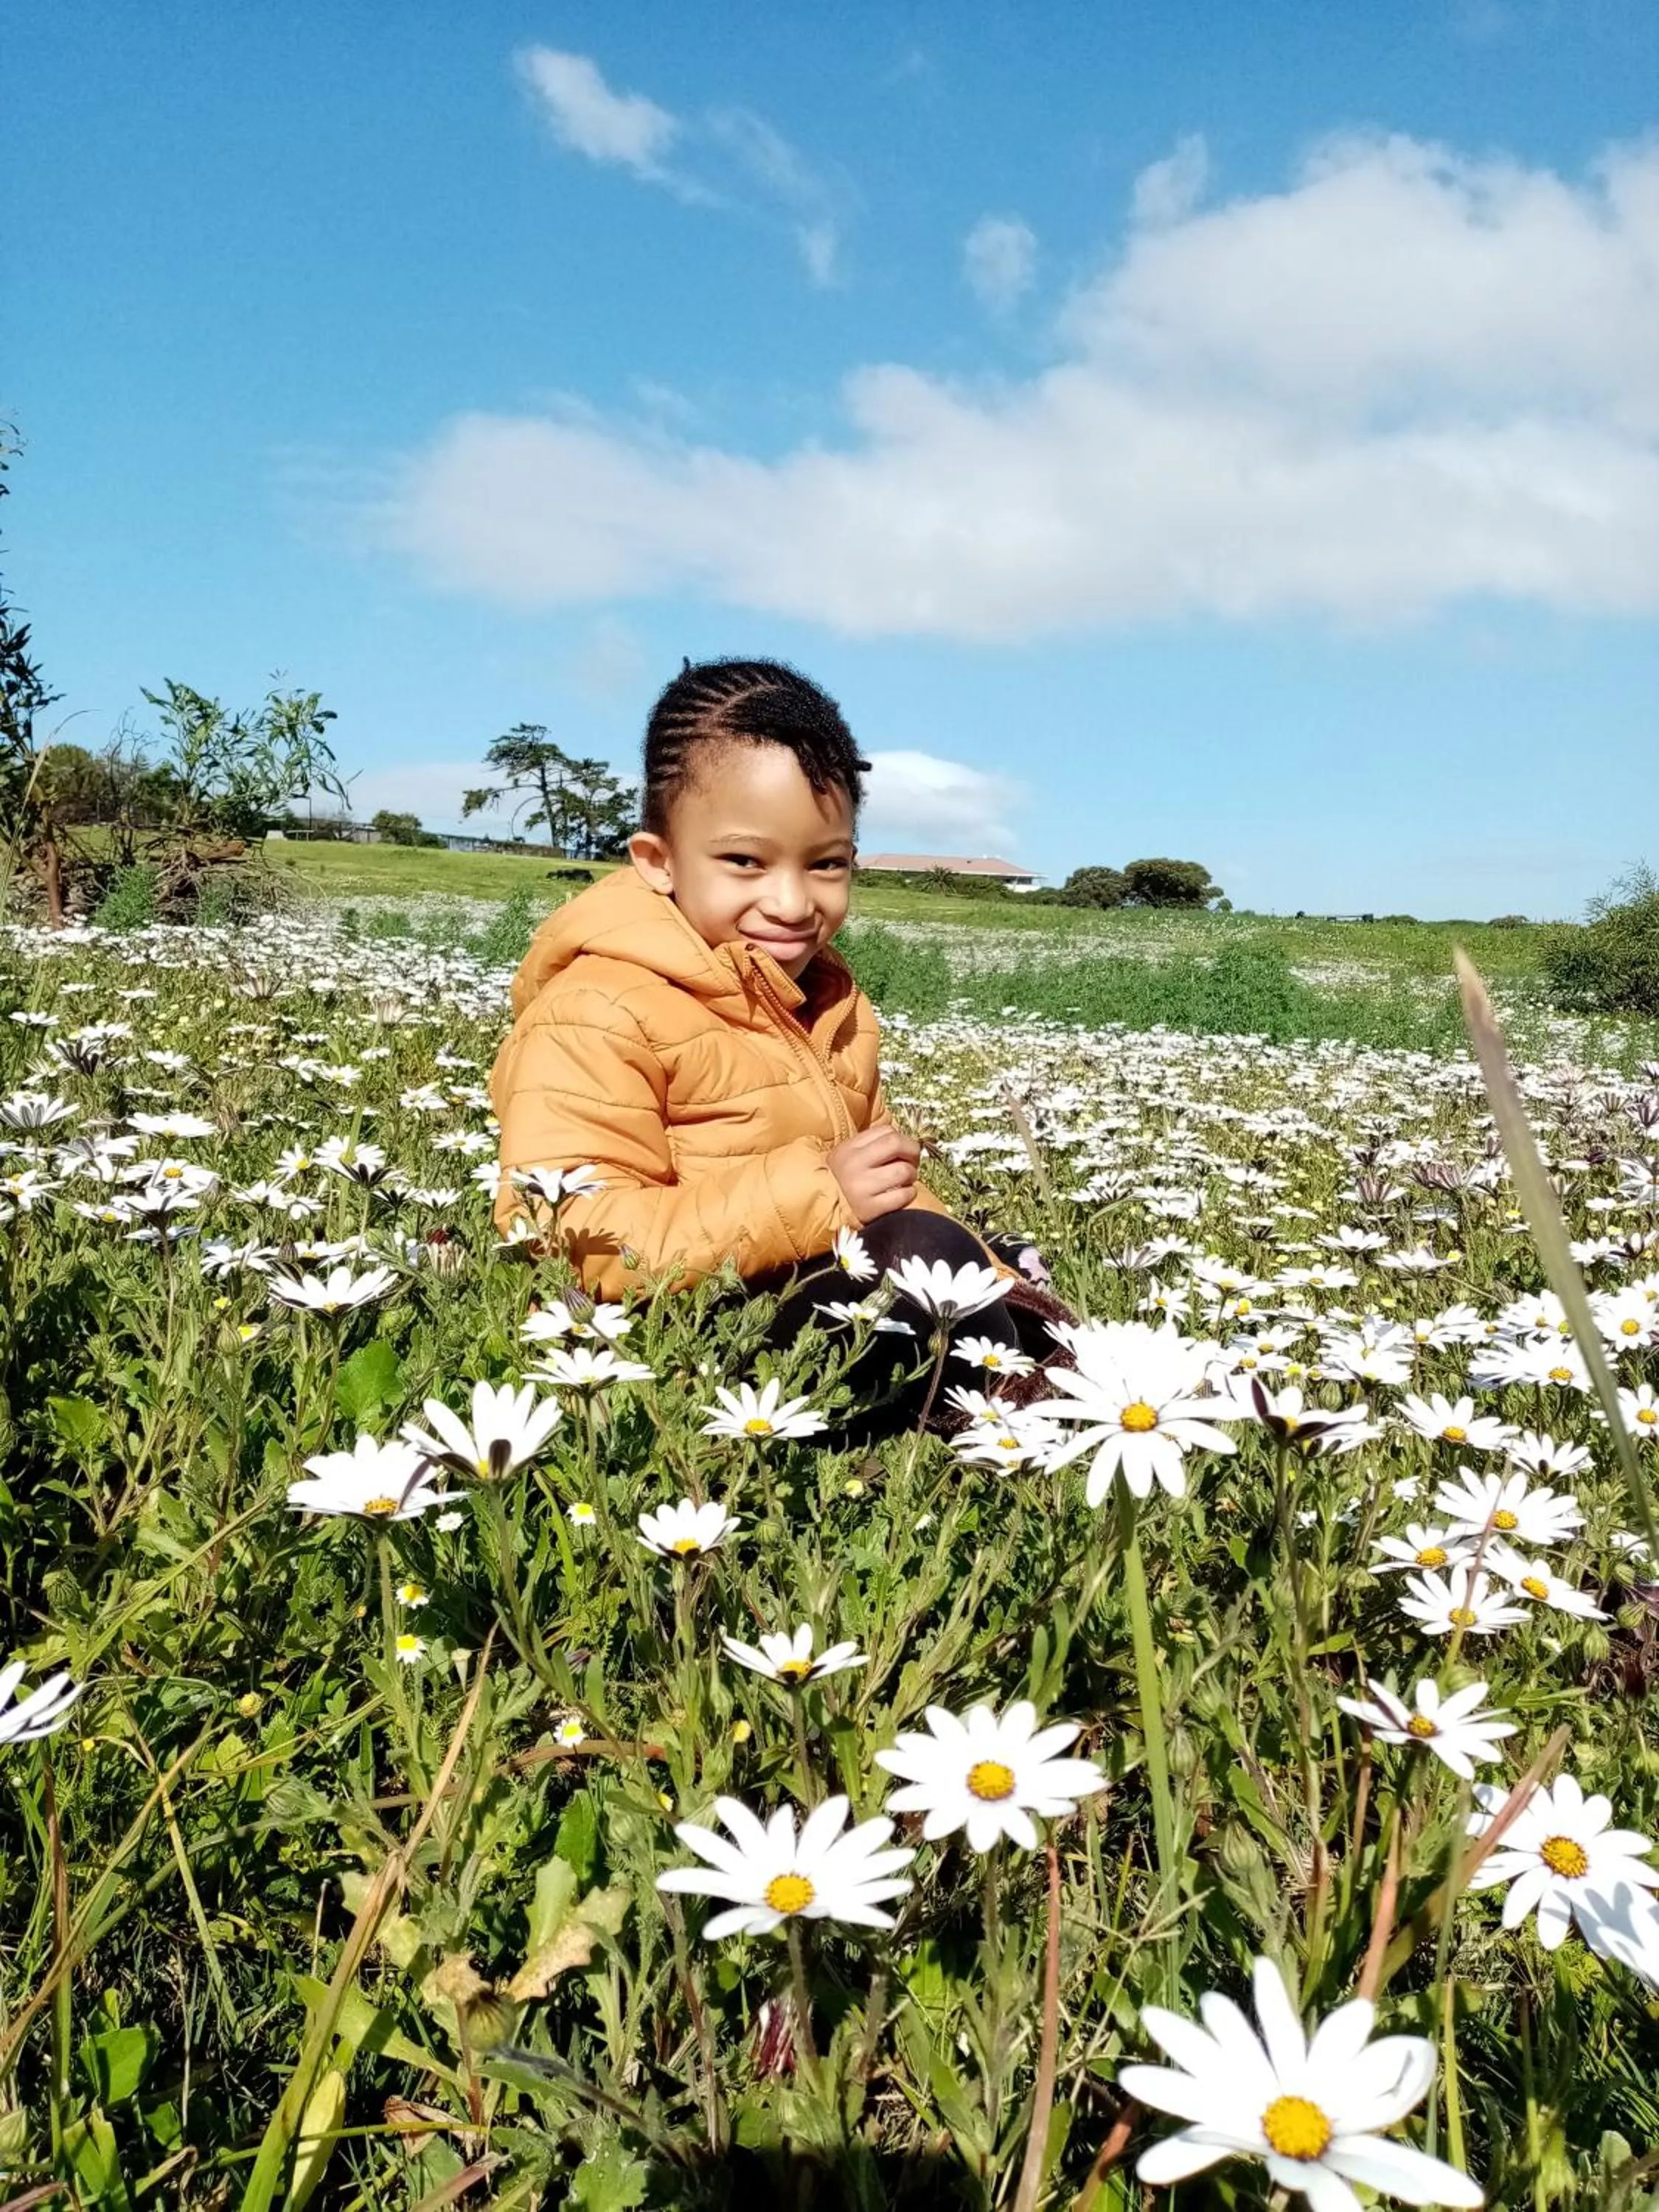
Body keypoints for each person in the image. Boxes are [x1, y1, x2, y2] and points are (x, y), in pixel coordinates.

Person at [489, 658, 1076, 1435]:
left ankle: (1031, 1357)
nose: (794, 903)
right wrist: (824, 1196)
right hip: (674, 1347)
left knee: (942, 1247)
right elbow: (577, 1240)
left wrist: (1011, 1294)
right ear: (658, 862)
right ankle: (1003, 1418)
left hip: (804, 1294)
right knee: (916, 1258)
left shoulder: (828, 1002)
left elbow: (891, 1200)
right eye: (744, 862)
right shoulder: (595, 1011)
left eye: (827, 863)